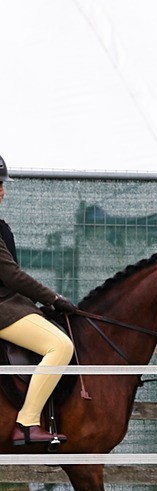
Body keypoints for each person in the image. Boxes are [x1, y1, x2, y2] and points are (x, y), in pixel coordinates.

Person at [0, 154, 79, 445]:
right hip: (3, 310)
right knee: (60, 345)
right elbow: (12, 276)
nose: (3, 192)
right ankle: (27, 423)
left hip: (11, 304)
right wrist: (54, 298)